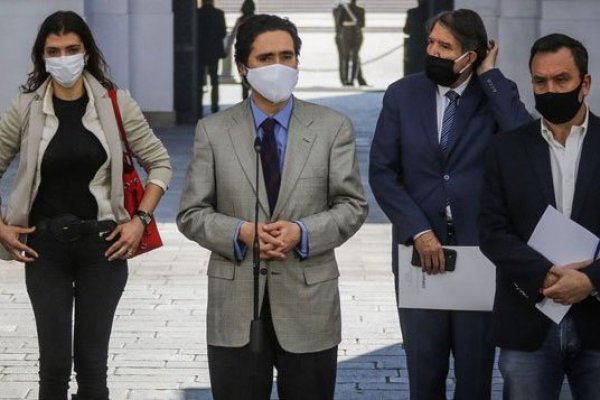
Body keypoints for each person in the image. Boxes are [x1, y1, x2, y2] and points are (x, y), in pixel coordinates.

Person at [177, 14, 368, 400]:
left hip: (309, 303)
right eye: (265, 58)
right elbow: (192, 213)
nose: (277, 66)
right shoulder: (213, 131)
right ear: (243, 67)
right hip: (235, 307)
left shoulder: (333, 127)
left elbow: (351, 206)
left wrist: (302, 232)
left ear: (298, 60)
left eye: (286, 55)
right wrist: (241, 232)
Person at [0, 10, 171, 400]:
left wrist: (140, 219)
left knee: (92, 365)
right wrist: (2, 226)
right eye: (54, 50)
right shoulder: (25, 107)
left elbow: (159, 162)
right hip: (44, 246)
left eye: (72, 49)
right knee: (54, 365)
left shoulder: (116, 103)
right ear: (42, 57)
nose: (64, 58)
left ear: (87, 53)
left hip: (103, 246)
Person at [368, 9, 531, 399]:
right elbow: (383, 173)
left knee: (475, 378)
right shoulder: (402, 94)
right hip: (420, 257)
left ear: (470, 55)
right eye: (431, 42)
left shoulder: (494, 95)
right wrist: (419, 231)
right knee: (424, 373)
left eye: (446, 46)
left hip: (480, 256)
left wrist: (490, 77)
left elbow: (525, 145)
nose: (434, 52)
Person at [479, 33, 600, 400]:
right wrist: (545, 275)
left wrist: (590, 281)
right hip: (527, 319)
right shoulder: (507, 148)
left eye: (561, 80)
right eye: (540, 81)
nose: (550, 89)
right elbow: (492, 230)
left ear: (585, 83)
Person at [196, 0, 226, 118]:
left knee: (198, 82)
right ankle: (215, 106)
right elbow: (223, 33)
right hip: (214, 51)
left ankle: (198, 108)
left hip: (200, 51)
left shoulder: (197, 14)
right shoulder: (219, 14)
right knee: (214, 81)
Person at [333, 0, 367, 86]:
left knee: (350, 57)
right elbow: (362, 24)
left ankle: (349, 79)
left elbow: (338, 23)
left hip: (349, 35)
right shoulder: (345, 9)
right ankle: (350, 79)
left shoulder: (343, 9)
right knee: (350, 57)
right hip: (352, 35)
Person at [229, 0, 255, 100]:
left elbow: (232, 35)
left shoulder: (240, 20)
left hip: (242, 52)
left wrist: (227, 48)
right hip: (254, 52)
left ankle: (245, 100)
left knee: (244, 77)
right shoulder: (256, 20)